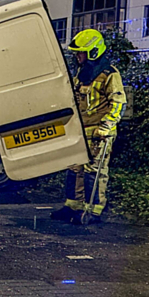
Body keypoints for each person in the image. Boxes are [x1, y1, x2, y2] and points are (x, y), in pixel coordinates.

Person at [52, 29, 126, 224]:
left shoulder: (109, 74)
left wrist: (106, 127)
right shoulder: (82, 74)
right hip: (81, 130)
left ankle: (93, 211)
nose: (78, 56)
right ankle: (73, 206)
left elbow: (118, 103)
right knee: (74, 168)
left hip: (98, 132)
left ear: (93, 51)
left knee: (94, 171)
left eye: (81, 52)